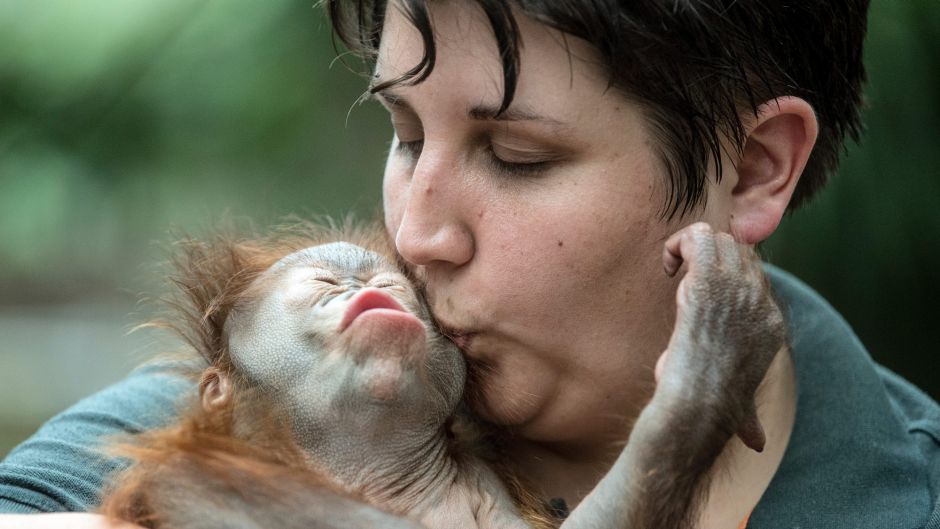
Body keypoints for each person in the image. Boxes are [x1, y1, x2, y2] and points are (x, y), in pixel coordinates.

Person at [1, 1, 938, 528]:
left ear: (755, 166)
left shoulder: (905, 498)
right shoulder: (260, 417)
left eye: (517, 157)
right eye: (404, 134)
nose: (415, 236)